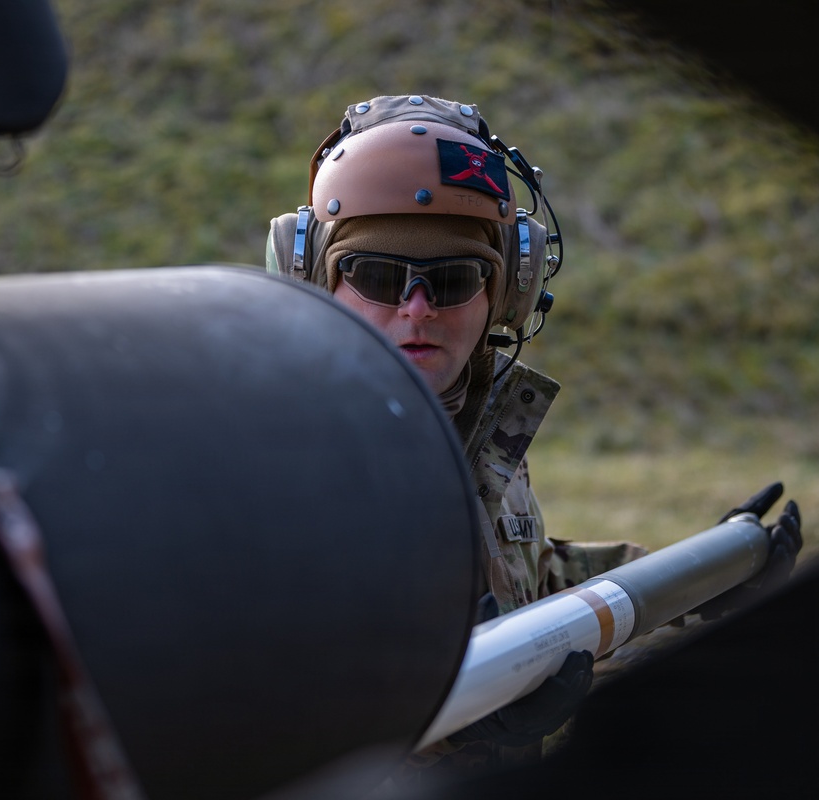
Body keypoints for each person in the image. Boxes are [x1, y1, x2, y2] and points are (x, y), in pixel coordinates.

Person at [265, 94, 803, 782]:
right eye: (375, 275)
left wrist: (704, 581)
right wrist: (445, 720)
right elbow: (243, 684)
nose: (417, 309)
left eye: (455, 279)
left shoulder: (485, 425)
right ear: (313, 278)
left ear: (508, 293)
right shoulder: (271, 460)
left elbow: (534, 583)